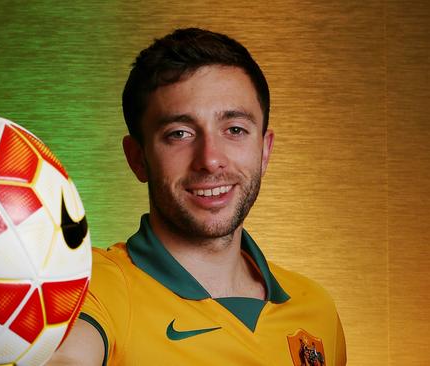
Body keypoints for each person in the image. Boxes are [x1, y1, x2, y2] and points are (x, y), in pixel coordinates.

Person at [47, 28, 346, 365]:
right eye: (180, 134)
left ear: (264, 150)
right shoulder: (92, 285)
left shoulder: (316, 309)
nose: (210, 159)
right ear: (137, 158)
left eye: (235, 129)